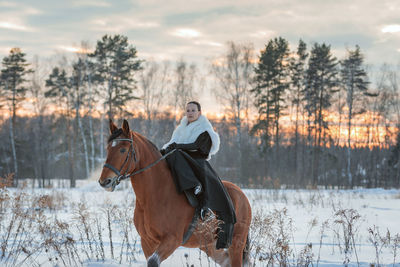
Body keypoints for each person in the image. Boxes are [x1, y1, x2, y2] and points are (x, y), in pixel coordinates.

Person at [160, 101, 236, 249]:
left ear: (199, 113)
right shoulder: (180, 129)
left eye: (193, 110)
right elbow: (172, 144)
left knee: (176, 154)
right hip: (180, 161)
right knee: (171, 158)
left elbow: (197, 147)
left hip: (197, 162)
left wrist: (178, 147)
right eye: (188, 110)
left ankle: (196, 185)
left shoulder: (205, 129)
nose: (190, 113)